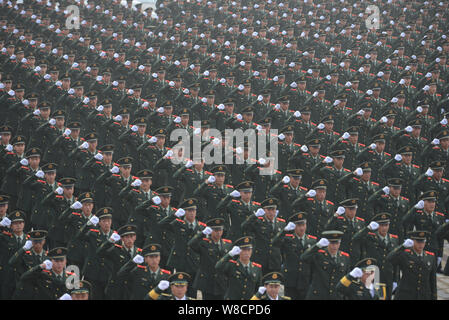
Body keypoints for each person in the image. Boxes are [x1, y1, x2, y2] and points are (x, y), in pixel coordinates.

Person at [272, 212, 317, 300]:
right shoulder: (287, 239)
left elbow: (313, 261)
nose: (302, 228)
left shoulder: (312, 241)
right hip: (291, 279)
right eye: (299, 225)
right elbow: (274, 243)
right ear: (294, 226)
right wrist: (284, 231)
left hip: (305, 278)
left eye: (303, 225)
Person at [387, 231, 437, 300]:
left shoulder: (430, 256)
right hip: (406, 294)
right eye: (418, 242)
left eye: (422, 242)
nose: (421, 245)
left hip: (423, 295)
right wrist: (402, 246)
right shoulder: (405, 254)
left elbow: (432, 280)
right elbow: (389, 258)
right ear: (413, 241)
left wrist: (434, 296)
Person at [300, 230, 350, 300]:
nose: (334, 246)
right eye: (332, 243)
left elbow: (345, 278)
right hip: (318, 295)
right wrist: (317, 246)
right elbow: (303, 257)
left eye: (337, 243)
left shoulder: (345, 257)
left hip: (335, 296)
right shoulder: (319, 254)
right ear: (327, 243)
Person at [215, 236, 262, 300]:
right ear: (239, 251)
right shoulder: (232, 265)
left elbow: (257, 288)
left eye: (249, 250)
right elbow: (218, 267)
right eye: (244, 250)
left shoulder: (257, 268)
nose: (247, 253)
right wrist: (230, 254)